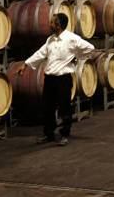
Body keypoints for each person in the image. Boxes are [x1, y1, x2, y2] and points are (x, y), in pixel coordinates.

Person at [16, 13, 95, 146]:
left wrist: (77, 56)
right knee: (47, 107)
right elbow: (40, 53)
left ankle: (64, 134)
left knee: (64, 107)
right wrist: (26, 64)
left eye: (52, 22)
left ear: (58, 25)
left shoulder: (72, 38)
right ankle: (49, 134)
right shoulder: (50, 40)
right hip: (50, 79)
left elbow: (90, 48)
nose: (50, 24)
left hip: (63, 79)